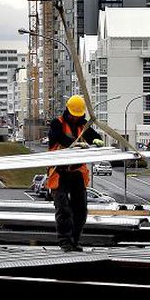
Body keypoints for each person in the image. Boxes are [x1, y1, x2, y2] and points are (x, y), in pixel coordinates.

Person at [47, 95, 104, 252]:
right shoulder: (56, 124)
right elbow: (61, 139)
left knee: (80, 210)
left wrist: (96, 140)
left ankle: (75, 240)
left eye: (78, 116)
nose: (75, 118)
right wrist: (77, 144)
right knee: (63, 209)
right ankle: (65, 242)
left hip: (77, 172)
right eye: (73, 115)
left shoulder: (82, 124)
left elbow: (94, 136)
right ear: (68, 111)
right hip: (60, 171)